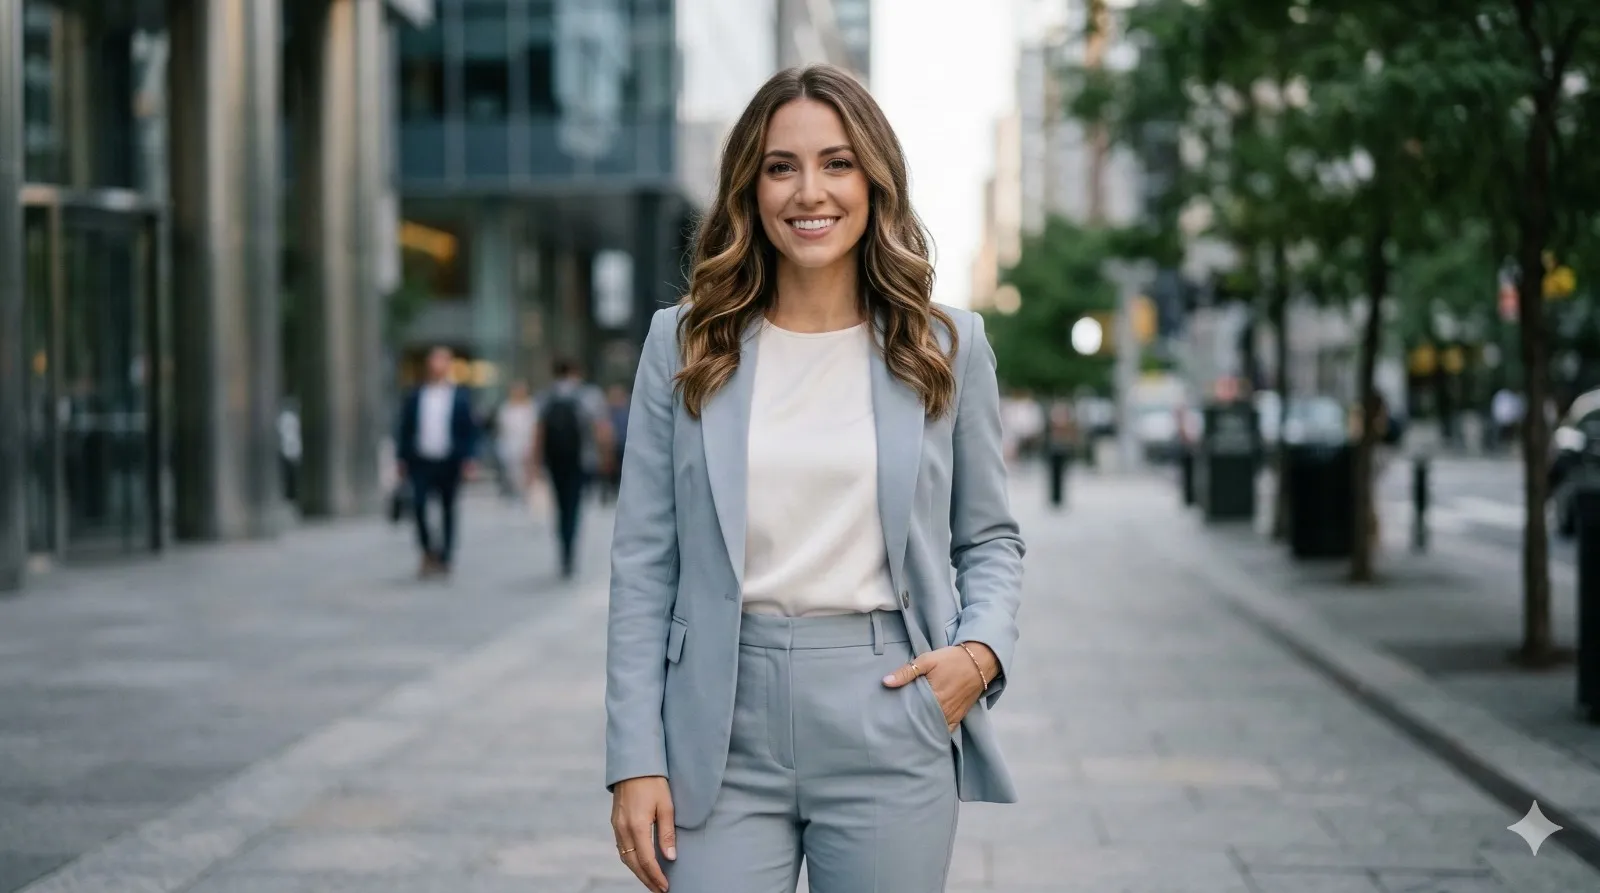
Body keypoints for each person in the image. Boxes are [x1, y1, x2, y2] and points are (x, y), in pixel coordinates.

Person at [604, 65, 1025, 893]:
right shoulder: (685, 342)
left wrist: (978, 654)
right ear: (749, 189)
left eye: (836, 163)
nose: (810, 191)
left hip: (887, 704)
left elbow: (990, 537)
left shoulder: (947, 344)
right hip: (716, 722)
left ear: (874, 179)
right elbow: (643, 563)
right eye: (780, 165)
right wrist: (634, 757)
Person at [395, 346, 477, 578]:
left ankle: (446, 556)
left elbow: (469, 430)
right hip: (421, 460)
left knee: (448, 508)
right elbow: (405, 427)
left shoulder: (460, 396)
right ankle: (427, 551)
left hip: (449, 461)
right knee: (418, 505)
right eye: (434, 361)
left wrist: (469, 459)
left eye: (442, 361)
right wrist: (401, 458)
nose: (437, 366)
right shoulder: (416, 395)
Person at [531, 358, 611, 579]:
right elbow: (600, 428)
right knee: (574, 506)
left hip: (555, 461)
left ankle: (564, 549)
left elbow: (539, 433)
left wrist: (535, 463)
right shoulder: (588, 395)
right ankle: (570, 550)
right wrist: (605, 457)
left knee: (560, 506)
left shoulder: (546, 396)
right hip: (580, 460)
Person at [495, 380, 538, 500]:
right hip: (509, 445)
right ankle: (513, 491)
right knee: (511, 471)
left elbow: (534, 428)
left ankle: (524, 492)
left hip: (526, 444)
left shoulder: (531, 408)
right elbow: (502, 428)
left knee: (524, 471)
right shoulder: (506, 408)